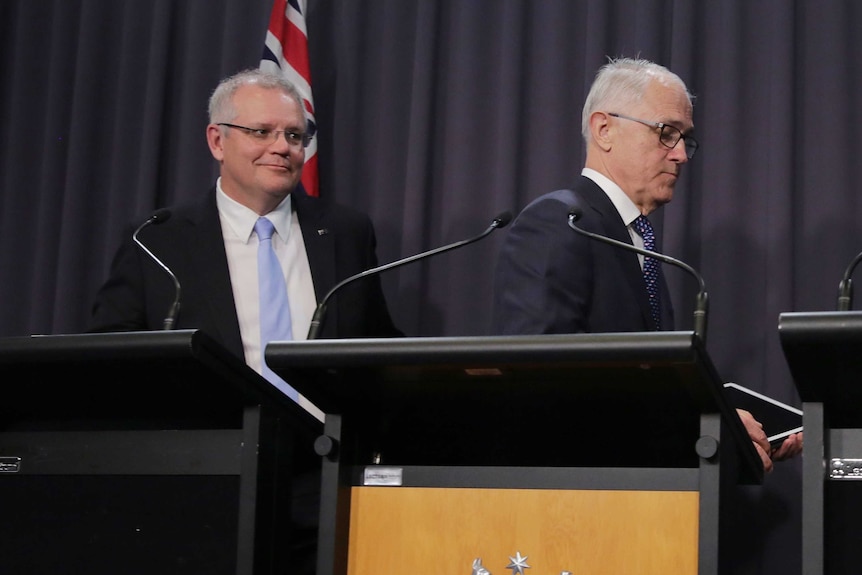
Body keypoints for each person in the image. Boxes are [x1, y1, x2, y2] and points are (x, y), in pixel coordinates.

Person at [87, 68, 402, 574]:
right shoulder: (159, 239)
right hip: (208, 482)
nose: (282, 147)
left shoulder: (344, 231)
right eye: (262, 132)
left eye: (294, 136)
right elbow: (112, 356)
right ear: (218, 140)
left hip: (319, 481)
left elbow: (377, 343)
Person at [491, 57, 801, 472]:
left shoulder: (636, 239)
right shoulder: (560, 223)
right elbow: (543, 378)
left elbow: (650, 385)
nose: (681, 155)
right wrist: (701, 426)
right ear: (604, 130)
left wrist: (734, 434)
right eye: (666, 133)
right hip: (573, 497)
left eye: (684, 139)